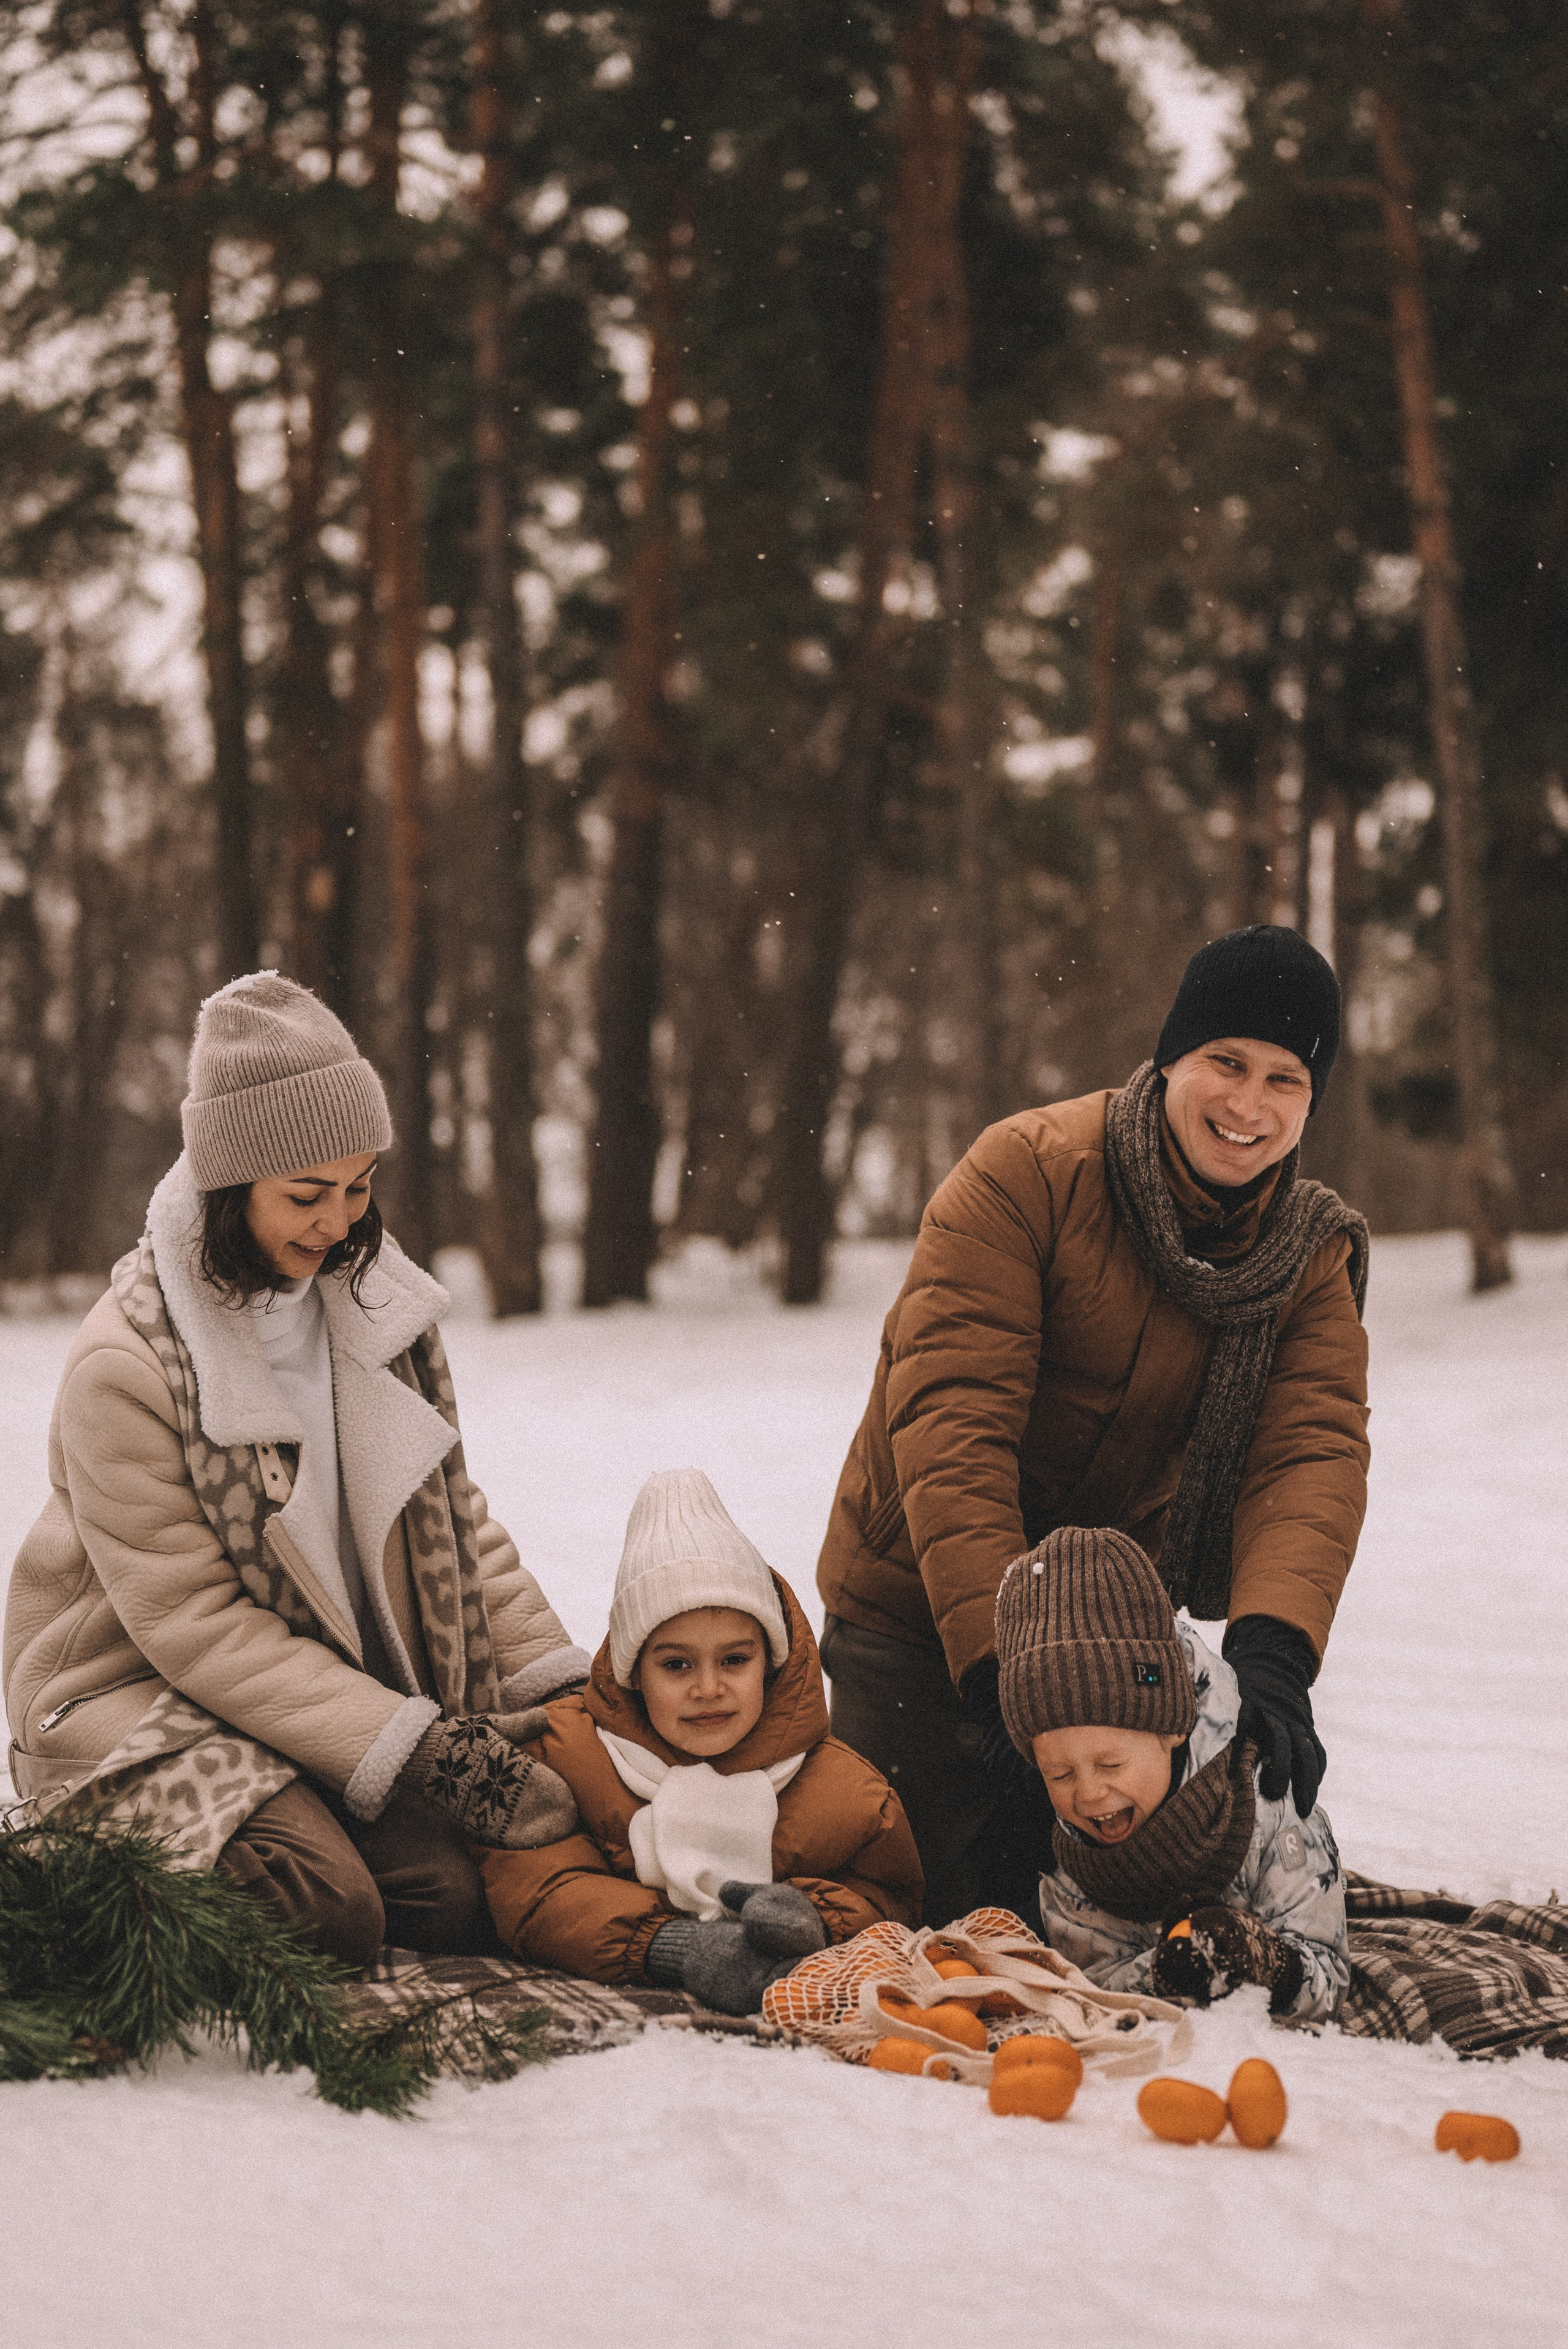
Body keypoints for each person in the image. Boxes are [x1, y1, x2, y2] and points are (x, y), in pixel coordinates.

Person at [5, 971, 589, 1965]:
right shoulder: (131, 1365)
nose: (339, 1223)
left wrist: (569, 1688)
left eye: (359, 1186)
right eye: (307, 1195)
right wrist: (415, 1747)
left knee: (446, 1897)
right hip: (134, 1699)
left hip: (300, 1701)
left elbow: (450, 1522)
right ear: (231, 1186)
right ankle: (48, 1890)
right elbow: (196, 1626)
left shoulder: (369, 1308)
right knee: (328, 1909)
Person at [817, 924, 1370, 1925]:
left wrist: (1275, 1659)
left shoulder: (1307, 1254)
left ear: (1311, 1102)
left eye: (1285, 1080)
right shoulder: (1026, 1175)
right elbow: (953, 1423)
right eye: (1226, 1063)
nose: (1248, 1105)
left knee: (1127, 1920)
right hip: (921, 1622)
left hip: (1110, 1641)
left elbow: (1312, 1451)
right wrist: (999, 1673)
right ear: (1171, 1058)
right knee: (915, 1917)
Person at [479, 1468, 923, 2012]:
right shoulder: (569, 1756)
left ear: (772, 1663)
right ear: (634, 1671)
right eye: (677, 1664)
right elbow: (536, 1888)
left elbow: (888, 1898)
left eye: (735, 1660)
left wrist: (818, 1920)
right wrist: (669, 1946)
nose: (709, 1688)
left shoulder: (844, 1789)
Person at [995, 1526, 1348, 2023]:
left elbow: (1328, 1976)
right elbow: (1092, 1989)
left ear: (1174, 1729)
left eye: (1111, 1763)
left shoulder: (1266, 1810)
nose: (1090, 1793)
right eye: (1059, 1773)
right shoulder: (1069, 1866)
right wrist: (1165, 1972)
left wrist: (1264, 1963)